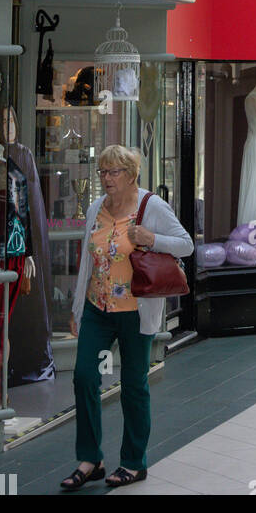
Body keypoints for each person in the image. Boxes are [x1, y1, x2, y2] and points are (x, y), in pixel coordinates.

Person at [60, 145, 193, 490]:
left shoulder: (151, 206)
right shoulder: (95, 208)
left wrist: (151, 238)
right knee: (85, 377)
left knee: (134, 385)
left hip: (136, 311)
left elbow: (186, 245)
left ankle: (134, 462)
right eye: (102, 172)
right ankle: (91, 460)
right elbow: (87, 264)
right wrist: (77, 310)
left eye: (113, 172)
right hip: (97, 308)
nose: (106, 178)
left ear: (131, 175)